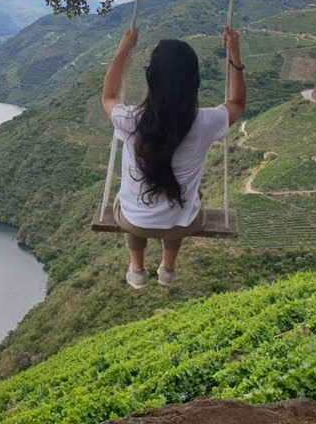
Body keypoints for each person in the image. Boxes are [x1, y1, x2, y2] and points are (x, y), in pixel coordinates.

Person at [102, 26, 246, 289]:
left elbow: (109, 96)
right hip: (182, 225)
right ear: (195, 82)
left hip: (134, 221)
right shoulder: (205, 122)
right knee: (187, 202)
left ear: (151, 79)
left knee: (125, 201)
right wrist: (234, 53)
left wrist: (123, 50)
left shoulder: (129, 119)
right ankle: (168, 268)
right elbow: (236, 103)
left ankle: (137, 269)